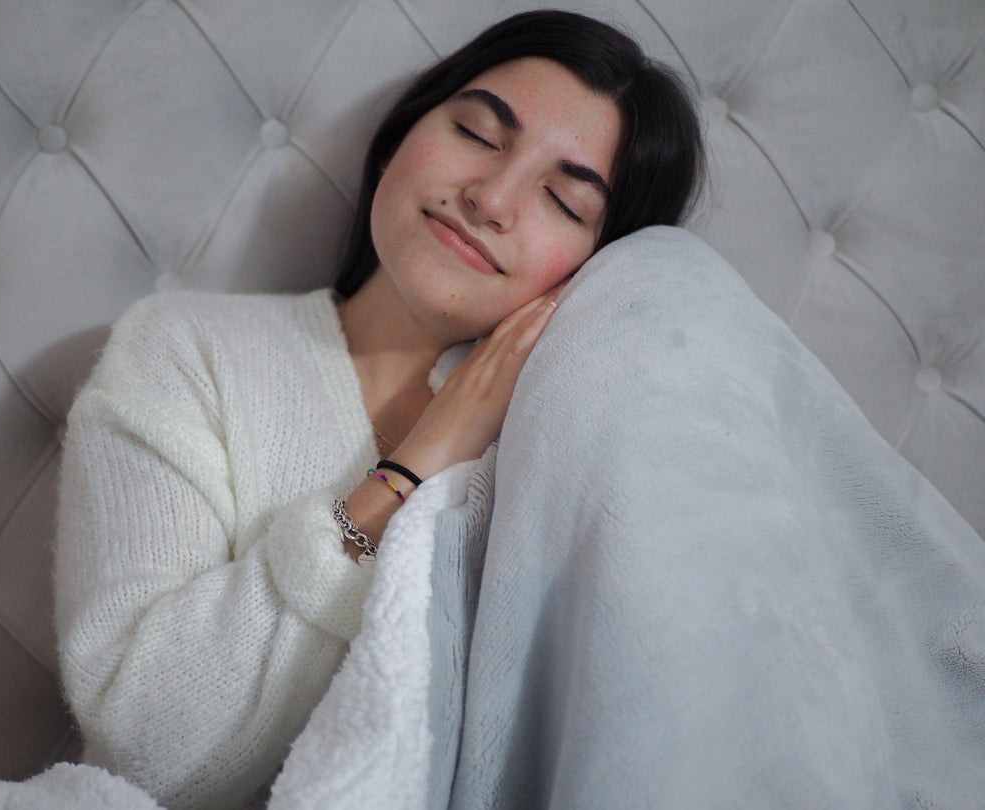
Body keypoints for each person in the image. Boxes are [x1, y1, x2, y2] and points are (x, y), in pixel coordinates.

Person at [53, 9, 704, 810]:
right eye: (477, 133)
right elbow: (143, 747)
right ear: (403, 134)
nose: (491, 197)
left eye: (564, 203)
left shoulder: (572, 467)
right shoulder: (187, 351)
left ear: (595, 272)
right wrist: (414, 465)